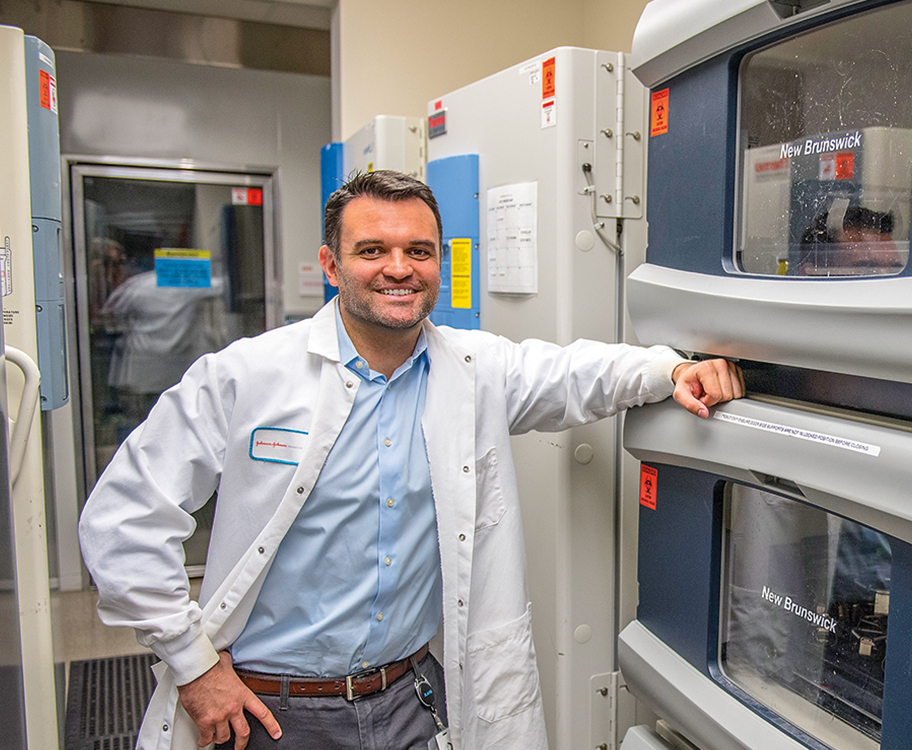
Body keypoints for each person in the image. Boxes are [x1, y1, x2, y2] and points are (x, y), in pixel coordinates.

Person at [78, 170, 745, 750]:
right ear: (332, 265)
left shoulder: (474, 369)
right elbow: (123, 519)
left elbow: (576, 373)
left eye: (417, 251)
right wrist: (193, 665)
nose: (399, 267)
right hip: (271, 712)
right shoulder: (246, 375)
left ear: (439, 263)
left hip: (409, 701)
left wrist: (671, 369)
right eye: (372, 250)